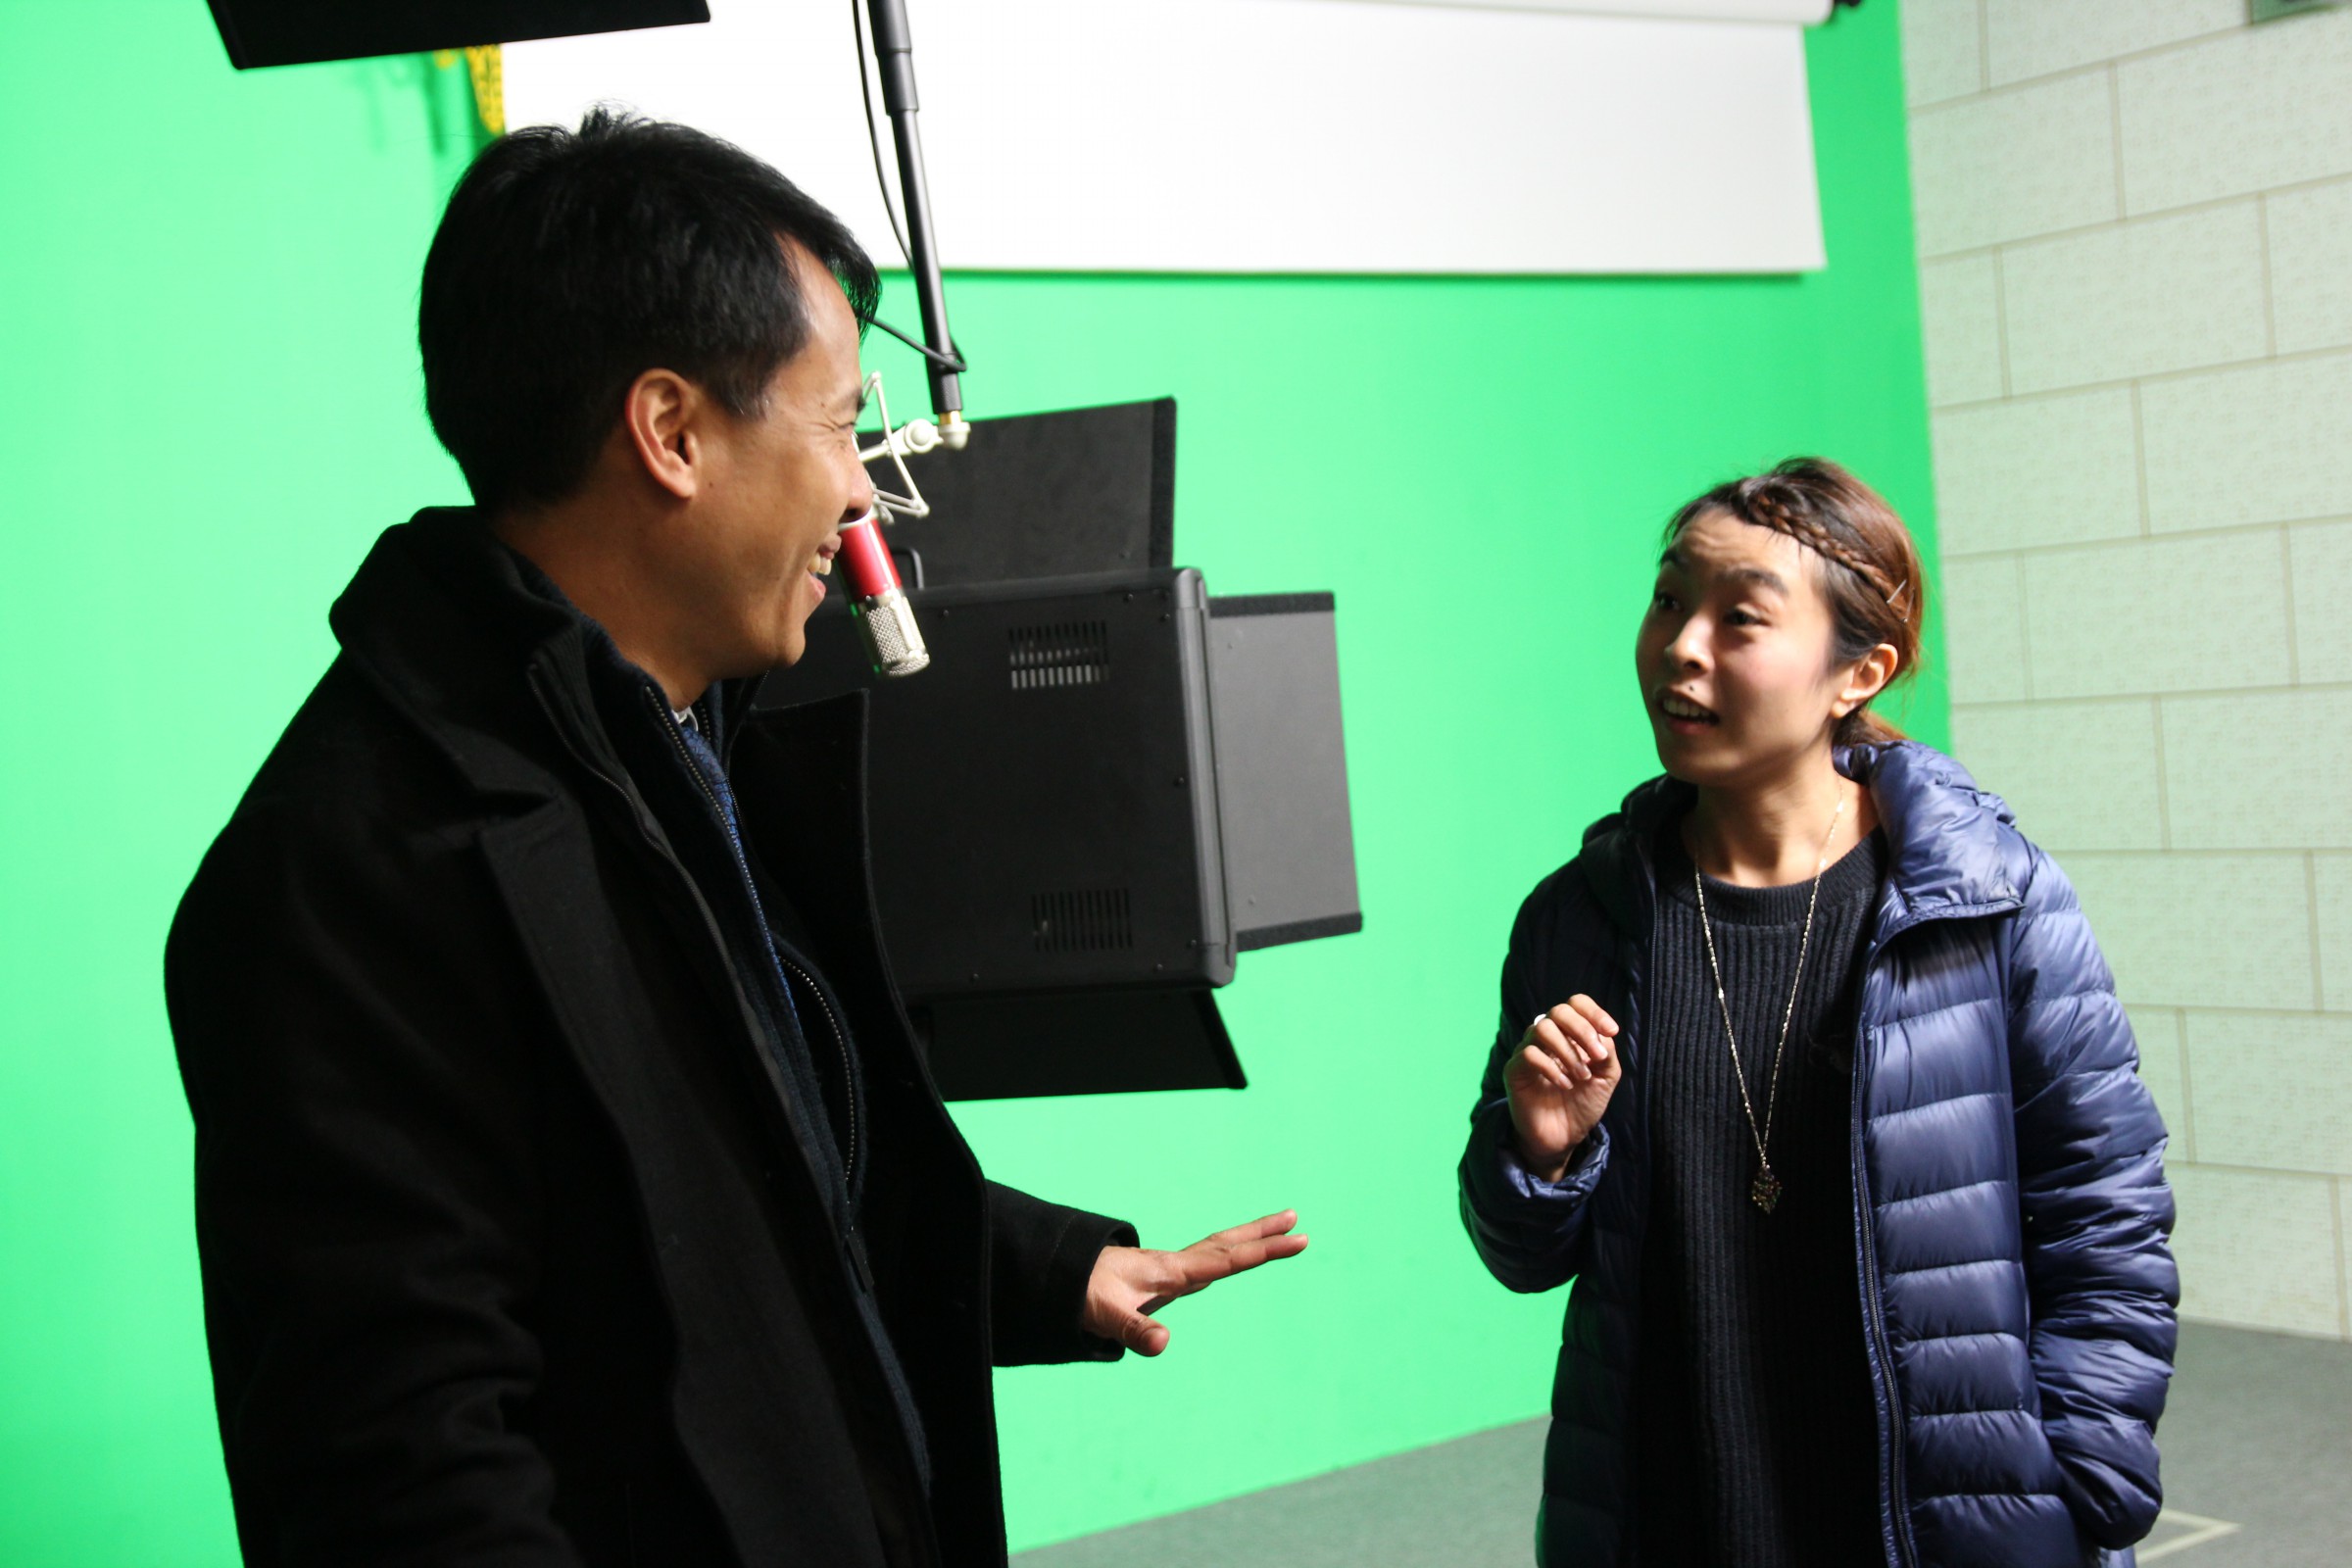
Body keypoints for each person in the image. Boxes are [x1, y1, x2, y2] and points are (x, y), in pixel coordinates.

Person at [165, 110, 1304, 1568]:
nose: (861, 487)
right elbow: (403, 1471)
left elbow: (754, 1181)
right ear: (672, 433)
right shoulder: (349, 873)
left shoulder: (695, 742)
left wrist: (1038, 1267)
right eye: (835, 423)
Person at [1457, 459, 2177, 1567]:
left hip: (1940, 1530)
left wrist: (2082, 1476)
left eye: (1739, 618)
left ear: (1859, 673)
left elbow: (2104, 1209)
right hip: (1669, 1523)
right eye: (1668, 599)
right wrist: (1538, 1153)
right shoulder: (1582, 915)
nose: (1682, 645)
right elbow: (1524, 1256)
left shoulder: (1989, 900)